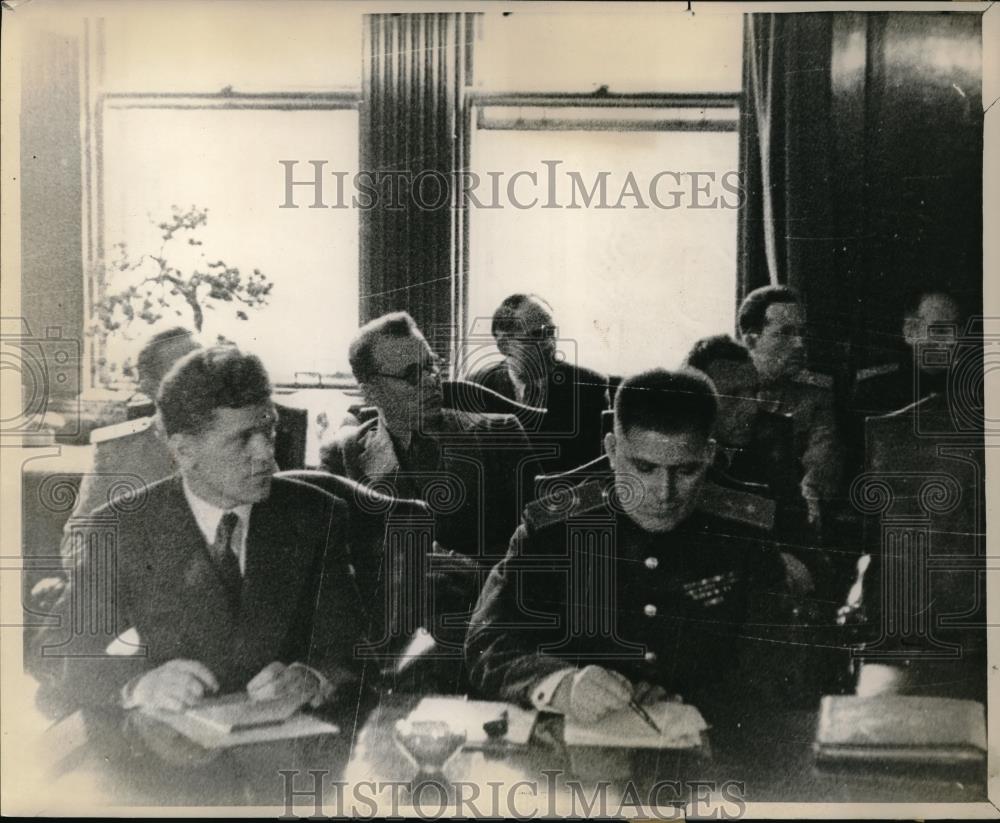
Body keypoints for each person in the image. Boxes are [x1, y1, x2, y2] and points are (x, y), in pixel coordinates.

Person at [35, 346, 368, 718]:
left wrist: (314, 676)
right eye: (242, 439)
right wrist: (138, 685)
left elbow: (351, 640)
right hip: (169, 756)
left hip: (286, 751)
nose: (266, 456)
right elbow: (57, 652)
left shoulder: (315, 514)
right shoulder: (120, 529)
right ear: (184, 450)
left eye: (268, 431)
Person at [466, 369, 802, 728]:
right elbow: (488, 639)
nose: (664, 492)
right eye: (644, 467)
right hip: (571, 749)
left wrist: (687, 699)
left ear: (709, 454)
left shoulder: (744, 533)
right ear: (612, 450)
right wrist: (562, 684)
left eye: (686, 470)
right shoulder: (555, 530)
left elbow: (776, 657)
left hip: (702, 750)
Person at [320, 311, 539, 567]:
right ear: (371, 392)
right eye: (411, 375)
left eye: (430, 366)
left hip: (483, 597)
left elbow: (541, 533)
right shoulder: (344, 455)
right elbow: (334, 559)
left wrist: (476, 569)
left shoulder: (499, 434)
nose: (431, 381)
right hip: (394, 600)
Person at [465, 294, 609, 474]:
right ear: (504, 345)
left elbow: (597, 472)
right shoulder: (476, 386)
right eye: (537, 335)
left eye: (551, 333)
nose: (549, 344)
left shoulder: (588, 387)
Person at [737, 286, 842, 530]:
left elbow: (823, 458)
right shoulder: (724, 388)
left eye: (801, 333)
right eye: (784, 333)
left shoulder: (816, 396)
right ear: (752, 340)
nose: (799, 343)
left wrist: (810, 492)